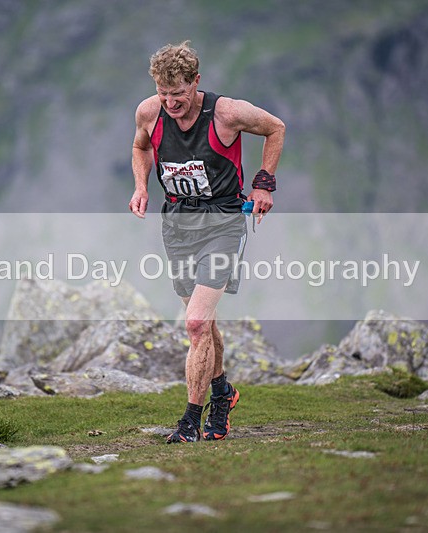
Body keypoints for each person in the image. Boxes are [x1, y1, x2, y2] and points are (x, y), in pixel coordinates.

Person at [129, 41, 285, 443]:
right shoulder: (149, 111)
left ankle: (189, 422)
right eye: (164, 94)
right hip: (178, 224)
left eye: (178, 94)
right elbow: (140, 146)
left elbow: (275, 128)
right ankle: (223, 394)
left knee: (196, 323)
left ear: (196, 83)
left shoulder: (227, 113)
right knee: (204, 324)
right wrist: (141, 186)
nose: (170, 103)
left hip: (222, 223)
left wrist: (264, 183)